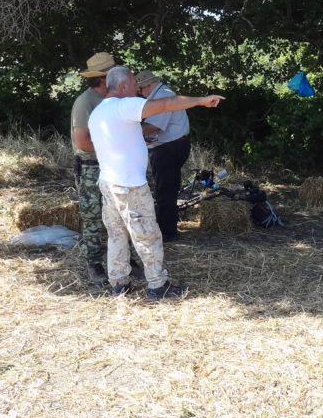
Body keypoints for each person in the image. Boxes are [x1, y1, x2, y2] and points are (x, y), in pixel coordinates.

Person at [88, 66, 224, 299]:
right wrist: (201, 100)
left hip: (108, 183)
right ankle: (157, 285)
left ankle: (119, 283)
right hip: (130, 185)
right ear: (122, 87)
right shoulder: (124, 105)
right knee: (148, 235)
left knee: (116, 235)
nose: (137, 90)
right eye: (133, 84)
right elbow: (165, 105)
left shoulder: (99, 112)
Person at [70, 51, 119, 288]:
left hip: (111, 164)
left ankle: (123, 260)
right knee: (93, 218)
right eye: (112, 73)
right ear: (102, 78)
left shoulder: (113, 99)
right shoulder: (85, 102)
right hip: (91, 167)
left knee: (119, 214)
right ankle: (94, 263)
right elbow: (82, 143)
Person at [135, 70, 191, 242]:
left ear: (148, 86)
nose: (140, 93)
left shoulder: (162, 97)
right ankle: (168, 226)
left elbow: (152, 127)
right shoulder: (161, 94)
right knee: (168, 186)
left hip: (169, 147)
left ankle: (167, 231)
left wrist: (130, 134)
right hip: (172, 145)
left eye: (141, 89)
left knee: (165, 189)